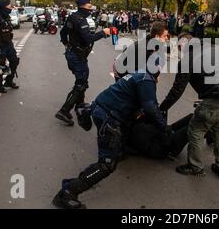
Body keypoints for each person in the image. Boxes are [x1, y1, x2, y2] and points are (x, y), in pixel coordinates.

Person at [52, 71, 167, 209]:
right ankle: (68, 192)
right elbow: (151, 108)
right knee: (107, 164)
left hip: (102, 109)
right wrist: (164, 128)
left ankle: (87, 112)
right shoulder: (147, 81)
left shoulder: (138, 75)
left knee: (119, 143)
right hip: (110, 118)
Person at [159, 33, 219, 179]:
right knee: (218, 126)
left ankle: (195, 166)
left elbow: (177, 90)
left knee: (196, 129)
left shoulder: (187, 60)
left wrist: (162, 108)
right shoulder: (211, 48)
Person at [55, 0, 111, 126]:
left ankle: (79, 104)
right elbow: (88, 39)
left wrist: (66, 44)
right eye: (89, 6)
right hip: (77, 56)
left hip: (73, 53)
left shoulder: (72, 17)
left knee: (81, 80)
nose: (90, 8)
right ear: (82, 6)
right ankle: (64, 110)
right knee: (81, 83)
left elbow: (63, 32)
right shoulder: (80, 20)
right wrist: (103, 33)